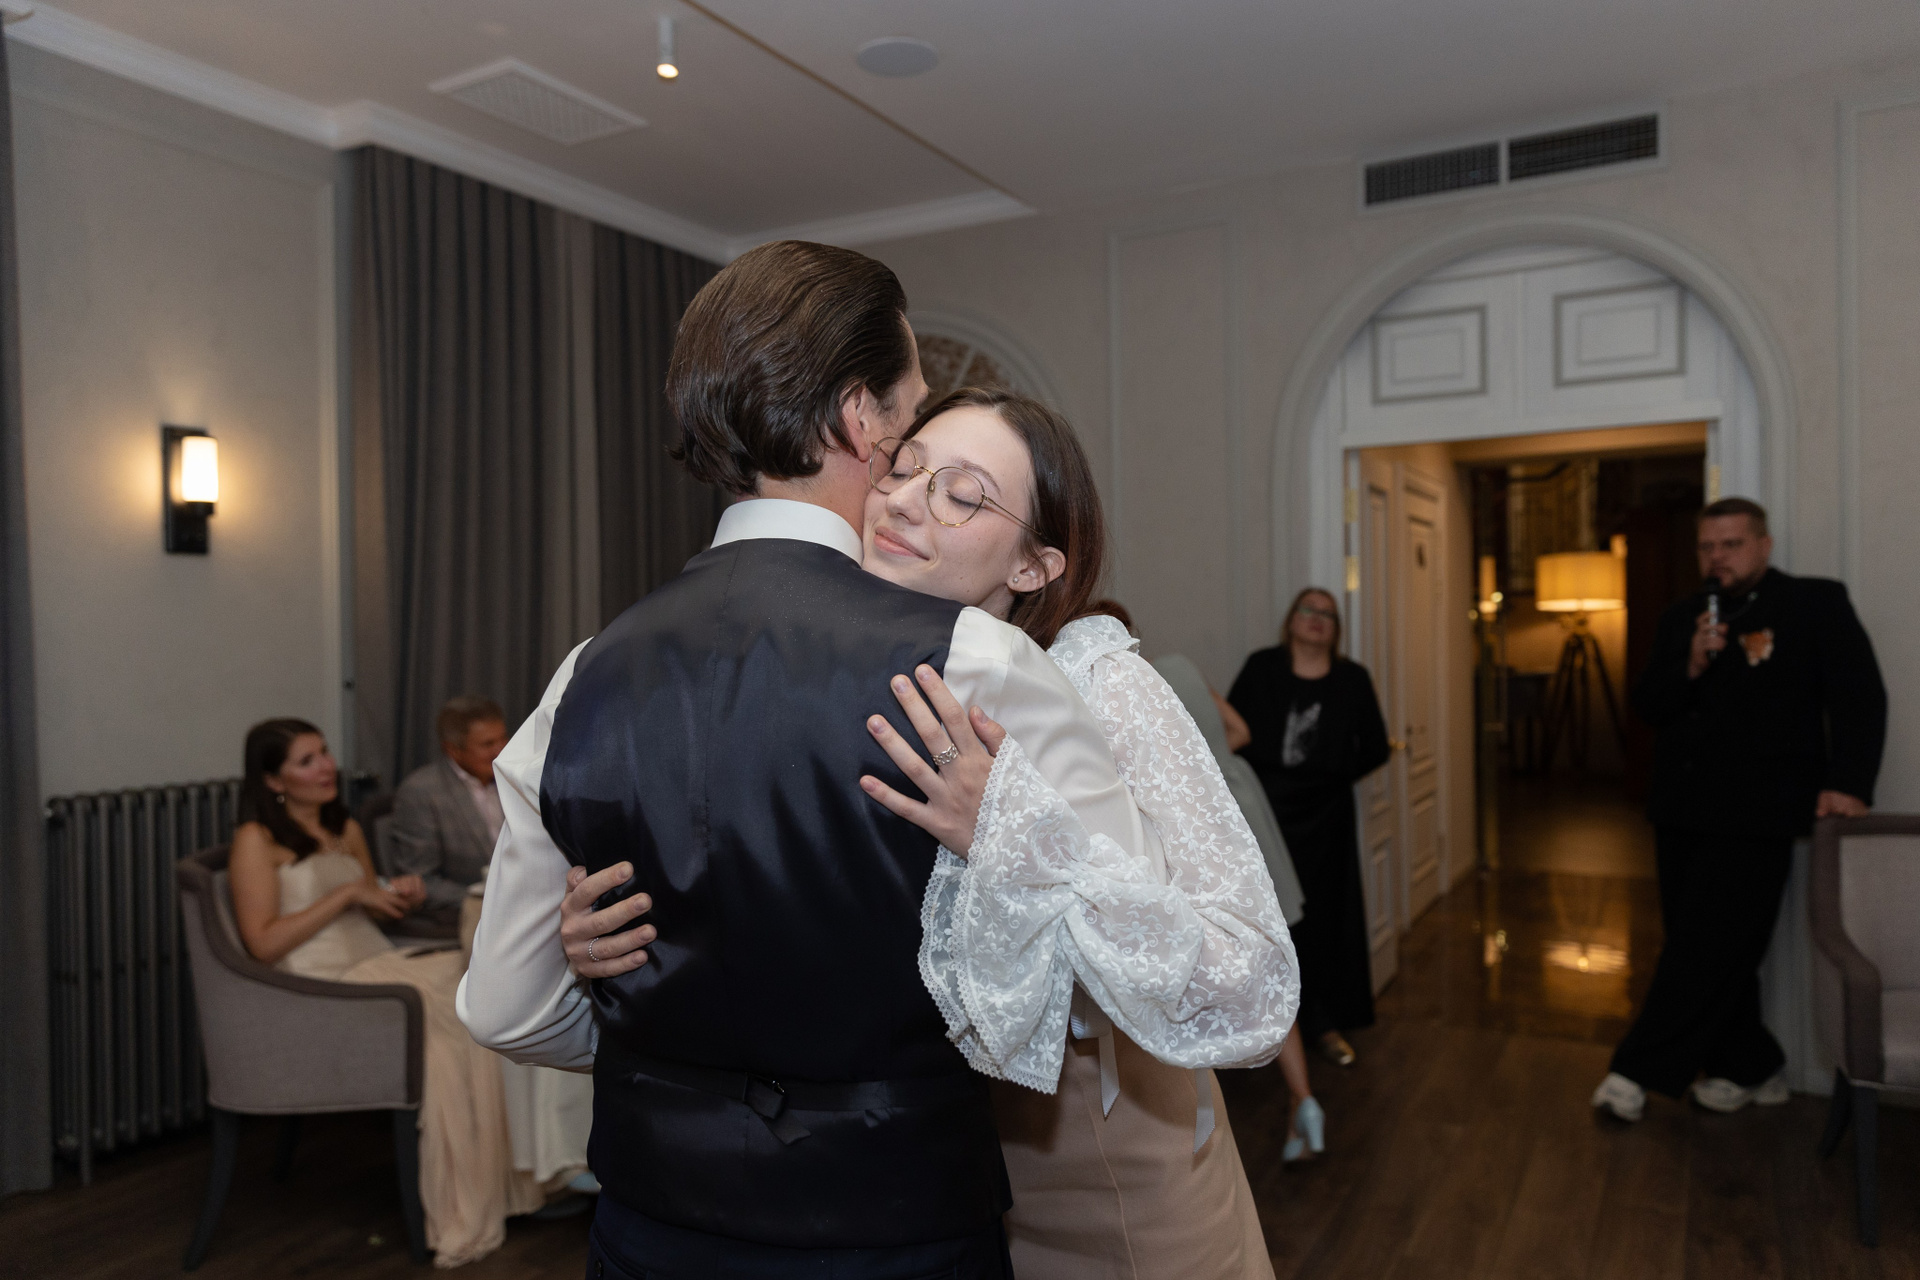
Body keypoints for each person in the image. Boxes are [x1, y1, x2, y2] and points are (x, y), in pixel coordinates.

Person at [458, 242, 1212, 1280]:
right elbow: (1143, 964)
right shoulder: (977, 660)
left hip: (649, 1231)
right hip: (892, 1231)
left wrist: (655, 1038)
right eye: (911, 407)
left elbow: (505, 1008)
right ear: (862, 417)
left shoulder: (581, 674)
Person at [561, 390, 1297, 1279]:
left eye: (964, 495)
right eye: (903, 469)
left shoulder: (1100, 683)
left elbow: (1250, 985)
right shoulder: (830, 677)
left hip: (1102, 1166)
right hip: (922, 1171)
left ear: (1034, 565)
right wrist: (605, 933)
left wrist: (1014, 834)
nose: (908, 501)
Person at [1591, 497, 1887, 1122]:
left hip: (1760, 812)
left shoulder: (1812, 603)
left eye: (1731, 544)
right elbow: (1649, 704)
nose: (1717, 557)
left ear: (1763, 545)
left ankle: (1634, 1073)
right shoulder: (1682, 617)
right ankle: (1752, 1066)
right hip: (1680, 810)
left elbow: (1859, 696)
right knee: (1707, 945)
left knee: (1702, 947)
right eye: (1707, 547)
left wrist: (1849, 782)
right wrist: (1691, 663)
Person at [225, 719, 544, 1268]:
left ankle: (527, 1177)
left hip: (381, 958)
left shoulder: (344, 826)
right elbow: (262, 943)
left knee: (493, 996)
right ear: (273, 779)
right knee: (450, 1026)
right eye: (306, 760)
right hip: (325, 985)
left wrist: (399, 895)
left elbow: (372, 907)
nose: (327, 767)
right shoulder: (255, 840)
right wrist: (347, 894)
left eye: (325, 753)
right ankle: (467, 1198)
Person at [1230, 588, 1391, 1068]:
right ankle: (1263, 1026)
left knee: (1324, 920)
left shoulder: (1352, 679)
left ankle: (1323, 1021)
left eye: (1327, 614)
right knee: (1268, 920)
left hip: (1327, 820)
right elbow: (1230, 734)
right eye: (1308, 610)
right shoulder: (1261, 668)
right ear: (1291, 619)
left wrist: (1335, 774)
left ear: (1336, 628)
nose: (1317, 619)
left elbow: (1376, 747)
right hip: (1269, 814)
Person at [387, 696, 510, 935]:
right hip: (465, 921)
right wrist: (486, 899)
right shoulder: (422, 792)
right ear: (453, 749)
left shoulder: (515, 778)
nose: (501, 750)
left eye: (503, 738)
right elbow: (421, 880)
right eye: (487, 744)